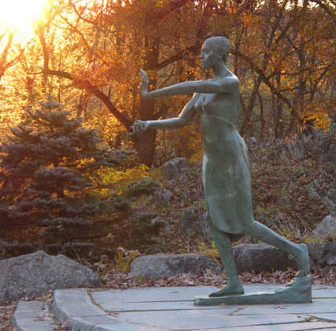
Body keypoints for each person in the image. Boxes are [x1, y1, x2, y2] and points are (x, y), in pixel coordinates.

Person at [132, 36, 310, 297]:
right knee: (215, 220)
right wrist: (149, 124)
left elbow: (191, 83)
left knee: (245, 221)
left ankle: (298, 253)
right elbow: (182, 121)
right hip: (211, 160)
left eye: (206, 52)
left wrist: (149, 94)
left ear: (220, 55)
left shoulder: (230, 82)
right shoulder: (202, 90)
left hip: (230, 156)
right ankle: (233, 282)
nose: (201, 57)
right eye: (201, 52)